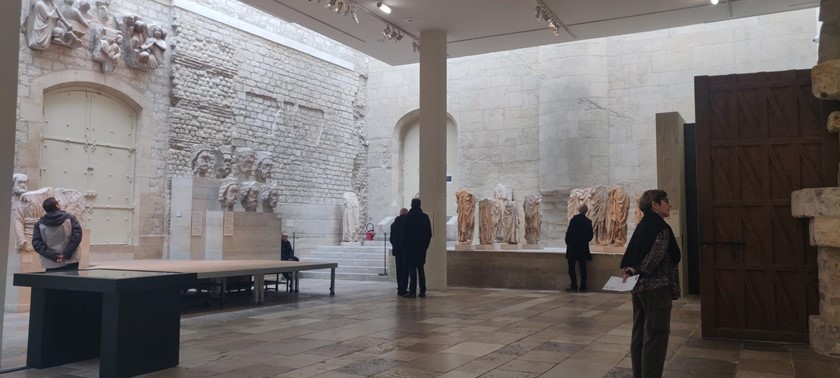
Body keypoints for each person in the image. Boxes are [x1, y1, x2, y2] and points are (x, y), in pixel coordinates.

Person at [620, 190, 681, 378]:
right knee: (656, 335)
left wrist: (632, 270)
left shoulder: (642, 225)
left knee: (639, 333)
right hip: (656, 288)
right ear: (655, 204)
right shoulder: (660, 227)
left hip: (638, 288)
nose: (669, 205)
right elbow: (655, 256)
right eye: (666, 201)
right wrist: (638, 270)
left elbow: (634, 255)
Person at [31, 197, 83, 272]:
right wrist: (66, 254)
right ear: (57, 206)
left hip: (51, 263)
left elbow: (37, 244)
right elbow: (76, 237)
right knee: (71, 283)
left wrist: (53, 256)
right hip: (70, 260)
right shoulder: (70, 218)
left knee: (53, 283)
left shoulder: (39, 224)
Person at [400, 198, 432, 298]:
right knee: (421, 269)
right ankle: (422, 290)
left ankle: (412, 291)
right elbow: (428, 234)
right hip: (421, 248)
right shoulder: (424, 217)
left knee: (412, 270)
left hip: (410, 248)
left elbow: (403, 234)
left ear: (411, 205)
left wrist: (404, 247)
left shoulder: (408, 217)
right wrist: (425, 246)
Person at [565, 204, 593, 292]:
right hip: (582, 247)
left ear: (579, 210)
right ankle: (583, 286)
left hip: (573, 247)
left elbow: (569, 233)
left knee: (571, 268)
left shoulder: (574, 220)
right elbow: (590, 235)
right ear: (586, 211)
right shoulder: (588, 221)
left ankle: (574, 285)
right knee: (583, 267)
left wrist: (568, 243)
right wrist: (584, 241)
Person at [390, 208, 408, 296]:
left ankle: (399, 286)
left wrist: (394, 246)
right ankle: (403, 288)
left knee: (399, 269)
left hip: (397, 250)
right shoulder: (407, 224)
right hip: (405, 250)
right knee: (405, 269)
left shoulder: (394, 224)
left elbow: (391, 238)